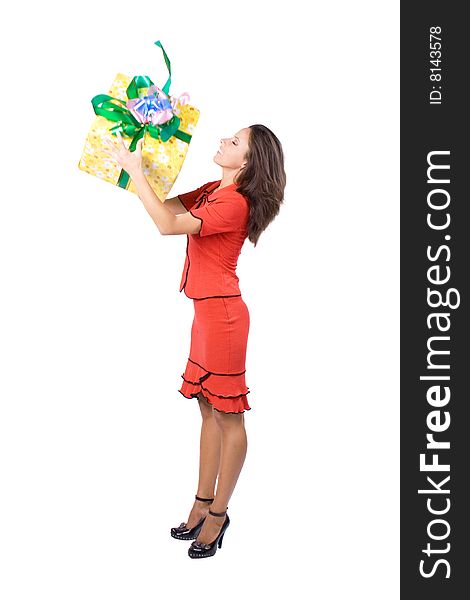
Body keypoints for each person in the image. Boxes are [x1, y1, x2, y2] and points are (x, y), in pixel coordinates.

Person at [103, 124, 286, 558]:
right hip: (205, 316)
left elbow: (167, 226)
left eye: (235, 141)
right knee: (208, 410)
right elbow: (163, 206)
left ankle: (219, 514)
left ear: (247, 162)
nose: (225, 140)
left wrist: (136, 173)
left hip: (223, 318)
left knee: (228, 415)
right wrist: (133, 165)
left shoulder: (234, 203)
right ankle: (201, 503)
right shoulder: (212, 189)